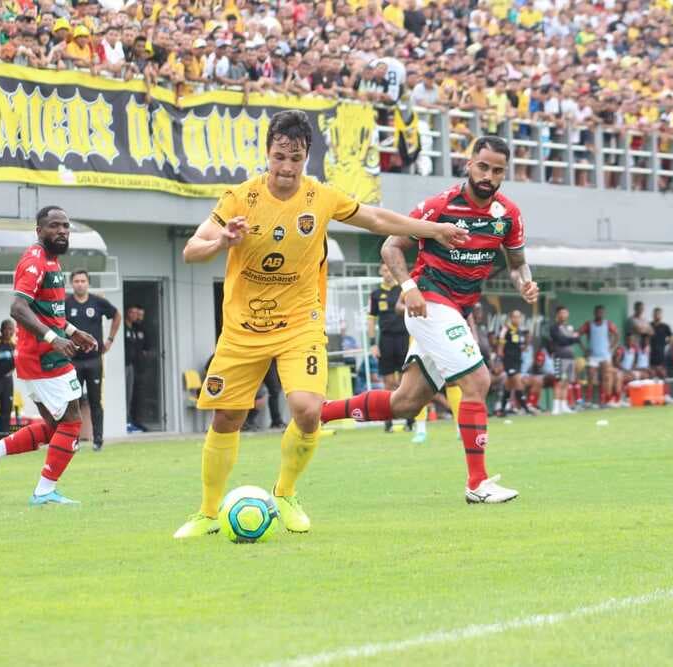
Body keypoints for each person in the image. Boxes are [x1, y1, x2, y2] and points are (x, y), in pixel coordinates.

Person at [174, 110, 468, 538]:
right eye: (279, 157)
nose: (287, 167)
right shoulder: (239, 197)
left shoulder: (321, 197)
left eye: (295, 158)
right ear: (268, 154)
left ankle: (286, 493)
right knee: (227, 419)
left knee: (309, 411)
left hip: (300, 322)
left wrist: (433, 230)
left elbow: (377, 219)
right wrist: (223, 240)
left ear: (307, 156)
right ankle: (205, 512)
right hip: (243, 328)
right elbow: (191, 250)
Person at [321, 136, 538, 505]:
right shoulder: (440, 206)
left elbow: (518, 265)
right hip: (428, 304)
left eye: (497, 170)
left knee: (405, 402)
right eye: (482, 166)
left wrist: (525, 283)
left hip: (456, 311)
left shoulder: (508, 216)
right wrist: (408, 287)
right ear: (469, 164)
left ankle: (318, 413)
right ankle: (478, 483)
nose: (488, 176)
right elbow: (390, 245)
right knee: (478, 380)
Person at [0, 206, 98, 505]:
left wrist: (72, 329)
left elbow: (46, 311)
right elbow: (18, 308)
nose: (62, 231)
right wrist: (54, 338)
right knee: (71, 423)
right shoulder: (35, 260)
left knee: (56, 427)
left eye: (66, 226)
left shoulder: (52, 262)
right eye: (55, 226)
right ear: (39, 230)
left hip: (43, 355)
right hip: (43, 357)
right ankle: (43, 491)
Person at [64, 270, 119, 451]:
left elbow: (116, 315)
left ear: (88, 283)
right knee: (74, 401)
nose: (80, 284)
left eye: (83, 281)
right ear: (72, 284)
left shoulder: (97, 302)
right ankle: (74, 440)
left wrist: (109, 340)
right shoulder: (66, 303)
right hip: (73, 361)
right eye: (77, 281)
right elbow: (56, 323)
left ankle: (98, 440)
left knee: (96, 401)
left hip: (94, 360)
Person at [368, 262, 412, 433]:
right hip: (385, 340)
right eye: (384, 270)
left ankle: (409, 420)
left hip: (403, 339)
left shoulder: (403, 291)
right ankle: (388, 422)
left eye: (389, 270)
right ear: (380, 271)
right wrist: (372, 343)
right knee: (389, 382)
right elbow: (371, 319)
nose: (387, 273)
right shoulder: (375, 294)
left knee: (404, 382)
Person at [579, 305, 619, 407]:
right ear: (594, 313)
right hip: (593, 356)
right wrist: (584, 349)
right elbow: (578, 334)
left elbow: (617, 335)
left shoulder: (608, 324)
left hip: (605, 355)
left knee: (605, 378)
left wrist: (612, 347)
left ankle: (604, 400)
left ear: (604, 313)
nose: (599, 314)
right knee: (591, 378)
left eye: (601, 312)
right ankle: (588, 400)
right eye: (598, 312)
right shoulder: (589, 324)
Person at [497, 309, 533, 416]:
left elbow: (523, 347)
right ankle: (526, 409)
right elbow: (500, 346)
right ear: (511, 318)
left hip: (517, 361)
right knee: (518, 383)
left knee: (509, 385)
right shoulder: (506, 329)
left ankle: (502, 410)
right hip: (509, 361)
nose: (517, 319)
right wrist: (500, 360)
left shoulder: (520, 330)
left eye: (519, 317)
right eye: (515, 317)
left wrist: (527, 341)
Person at [549, 306, 582, 415]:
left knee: (566, 382)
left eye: (566, 313)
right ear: (557, 315)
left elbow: (577, 338)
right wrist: (573, 339)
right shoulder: (554, 327)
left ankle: (564, 406)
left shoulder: (569, 327)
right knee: (559, 382)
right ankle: (556, 407)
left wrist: (573, 338)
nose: (564, 315)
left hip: (570, 357)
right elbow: (561, 340)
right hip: (560, 356)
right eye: (562, 313)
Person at [123, 304, 150, 432]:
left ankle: (130, 422)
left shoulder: (135, 328)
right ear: (127, 313)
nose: (135, 315)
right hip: (125, 365)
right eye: (132, 312)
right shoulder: (125, 328)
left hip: (133, 366)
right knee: (125, 395)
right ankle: (126, 422)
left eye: (137, 313)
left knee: (131, 395)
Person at [649, 307, 672, 380]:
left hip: (661, 353)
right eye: (655, 314)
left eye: (658, 314)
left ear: (661, 315)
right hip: (650, 353)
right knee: (651, 374)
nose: (657, 315)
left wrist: (667, 344)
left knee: (663, 374)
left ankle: (665, 390)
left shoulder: (665, 326)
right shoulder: (649, 325)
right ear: (653, 315)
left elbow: (672, 337)